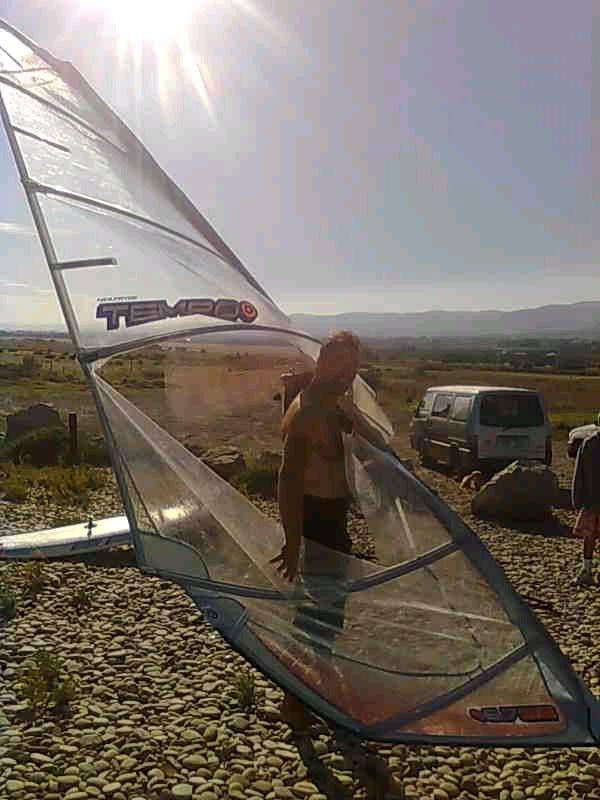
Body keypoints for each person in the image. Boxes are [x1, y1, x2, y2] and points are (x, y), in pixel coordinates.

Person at [269, 330, 369, 730]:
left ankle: (311, 692)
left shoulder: (328, 402)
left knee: (325, 613)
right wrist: (293, 541)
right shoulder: (310, 411)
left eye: (353, 366)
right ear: (323, 361)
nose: (347, 374)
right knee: (317, 616)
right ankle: (295, 700)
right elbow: (288, 478)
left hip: (333, 518)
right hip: (317, 522)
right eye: (339, 364)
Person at [572, 430, 600, 586]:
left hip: (591, 500)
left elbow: (579, 471)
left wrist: (577, 497)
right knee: (589, 536)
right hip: (591, 500)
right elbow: (580, 471)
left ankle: (587, 569)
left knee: (589, 536)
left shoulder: (588, 443)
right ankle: (587, 569)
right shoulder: (589, 444)